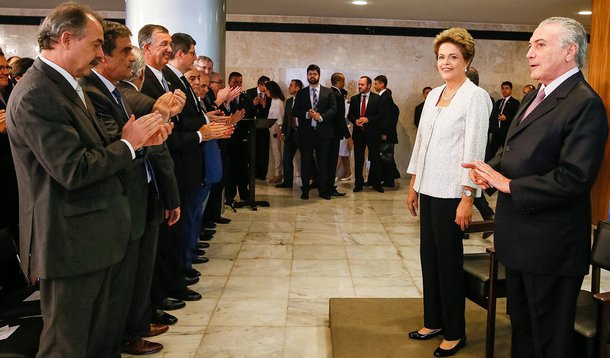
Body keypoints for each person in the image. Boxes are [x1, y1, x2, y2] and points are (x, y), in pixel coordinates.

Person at [6, 4, 171, 356]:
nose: (100, 54)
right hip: (69, 241)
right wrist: (128, 143)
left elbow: (95, 148)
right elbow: (74, 169)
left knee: (98, 338)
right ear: (66, 39)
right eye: (96, 44)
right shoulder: (38, 92)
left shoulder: (67, 86)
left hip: (92, 236)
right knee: (68, 344)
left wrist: (133, 139)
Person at [464, 17, 608, 358]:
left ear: (570, 51)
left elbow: (574, 178)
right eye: (530, 44)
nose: (530, 52)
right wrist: (490, 171)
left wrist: (509, 184)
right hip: (518, 240)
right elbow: (510, 148)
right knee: (522, 330)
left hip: (550, 247)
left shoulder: (585, 103)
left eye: (540, 44)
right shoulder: (536, 96)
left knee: (548, 339)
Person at [79, 22, 184, 355]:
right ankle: (128, 333)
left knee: (137, 274)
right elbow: (118, 142)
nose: (131, 59)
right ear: (103, 56)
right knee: (122, 281)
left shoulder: (111, 89)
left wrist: (147, 134)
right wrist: (146, 130)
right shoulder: (96, 90)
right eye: (125, 51)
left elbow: (138, 138)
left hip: (142, 191)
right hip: (122, 195)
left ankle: (133, 327)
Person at [406, 27, 491, 357]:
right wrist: (414, 184)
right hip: (428, 188)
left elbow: (474, 151)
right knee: (429, 257)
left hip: (452, 192)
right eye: (441, 57)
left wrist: (467, 197)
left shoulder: (476, 97)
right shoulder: (433, 95)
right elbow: (422, 142)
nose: (446, 62)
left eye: (453, 57)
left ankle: (456, 331)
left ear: (467, 60)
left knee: (449, 262)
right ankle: (435, 320)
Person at [292, 64, 337, 200]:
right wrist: (307, 114)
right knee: (305, 162)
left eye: (314, 74)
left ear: (319, 75)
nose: (312, 76)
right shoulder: (301, 92)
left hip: (324, 134)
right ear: (306, 76)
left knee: (323, 163)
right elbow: (295, 111)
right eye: (310, 74)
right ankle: (305, 190)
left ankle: (323, 191)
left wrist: (320, 117)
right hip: (306, 134)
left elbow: (333, 109)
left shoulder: (329, 92)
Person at [347, 76, 383, 193]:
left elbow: (381, 116)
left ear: (369, 85)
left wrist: (368, 119)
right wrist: (355, 121)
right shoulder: (354, 99)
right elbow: (350, 115)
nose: (359, 86)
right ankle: (358, 184)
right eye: (359, 84)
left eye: (362, 84)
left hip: (373, 134)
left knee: (375, 159)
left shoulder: (377, 99)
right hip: (358, 134)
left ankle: (376, 184)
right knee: (358, 160)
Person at [374, 75, 400, 188]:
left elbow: (386, 117)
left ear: (382, 84)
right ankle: (387, 179)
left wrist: (384, 132)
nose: (374, 86)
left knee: (386, 157)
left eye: (376, 83)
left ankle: (389, 180)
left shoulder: (385, 97)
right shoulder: (384, 96)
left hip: (386, 134)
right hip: (386, 133)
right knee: (386, 157)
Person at [276, 79, 303, 188]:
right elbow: (286, 118)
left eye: (291, 85)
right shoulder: (289, 101)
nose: (289, 87)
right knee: (287, 158)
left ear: (297, 88)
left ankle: (315, 180)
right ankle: (287, 182)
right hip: (290, 132)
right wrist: (283, 132)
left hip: (301, 133)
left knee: (308, 158)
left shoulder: (304, 101)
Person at [485, 81, 520, 161]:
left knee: (508, 155)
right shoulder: (498, 102)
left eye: (507, 88)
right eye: (503, 88)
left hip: (507, 133)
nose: (504, 90)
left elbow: (517, 118)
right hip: (497, 132)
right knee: (490, 153)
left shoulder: (515, 103)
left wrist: (506, 118)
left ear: (511, 90)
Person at [329, 72, 350, 196]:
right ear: (340, 82)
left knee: (329, 160)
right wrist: (347, 134)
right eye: (343, 81)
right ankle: (330, 187)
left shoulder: (326, 92)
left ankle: (326, 184)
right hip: (336, 132)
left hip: (326, 132)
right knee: (332, 161)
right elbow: (340, 117)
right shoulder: (338, 95)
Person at [263, 80, 285, 184]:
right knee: (274, 152)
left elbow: (279, 118)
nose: (266, 92)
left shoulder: (278, 102)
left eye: (267, 90)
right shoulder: (273, 100)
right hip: (271, 128)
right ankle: (276, 173)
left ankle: (278, 173)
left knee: (277, 152)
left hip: (276, 129)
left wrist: (279, 131)